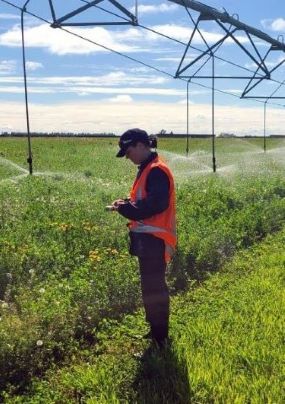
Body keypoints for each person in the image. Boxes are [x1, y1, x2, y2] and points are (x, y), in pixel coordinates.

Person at [111, 128, 176, 346]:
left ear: (140, 145)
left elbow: (157, 204)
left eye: (128, 152)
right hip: (147, 238)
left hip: (154, 239)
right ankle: (156, 331)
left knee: (154, 287)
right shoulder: (147, 167)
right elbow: (144, 200)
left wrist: (127, 210)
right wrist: (125, 204)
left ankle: (160, 338)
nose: (128, 158)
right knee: (150, 286)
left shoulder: (156, 170)